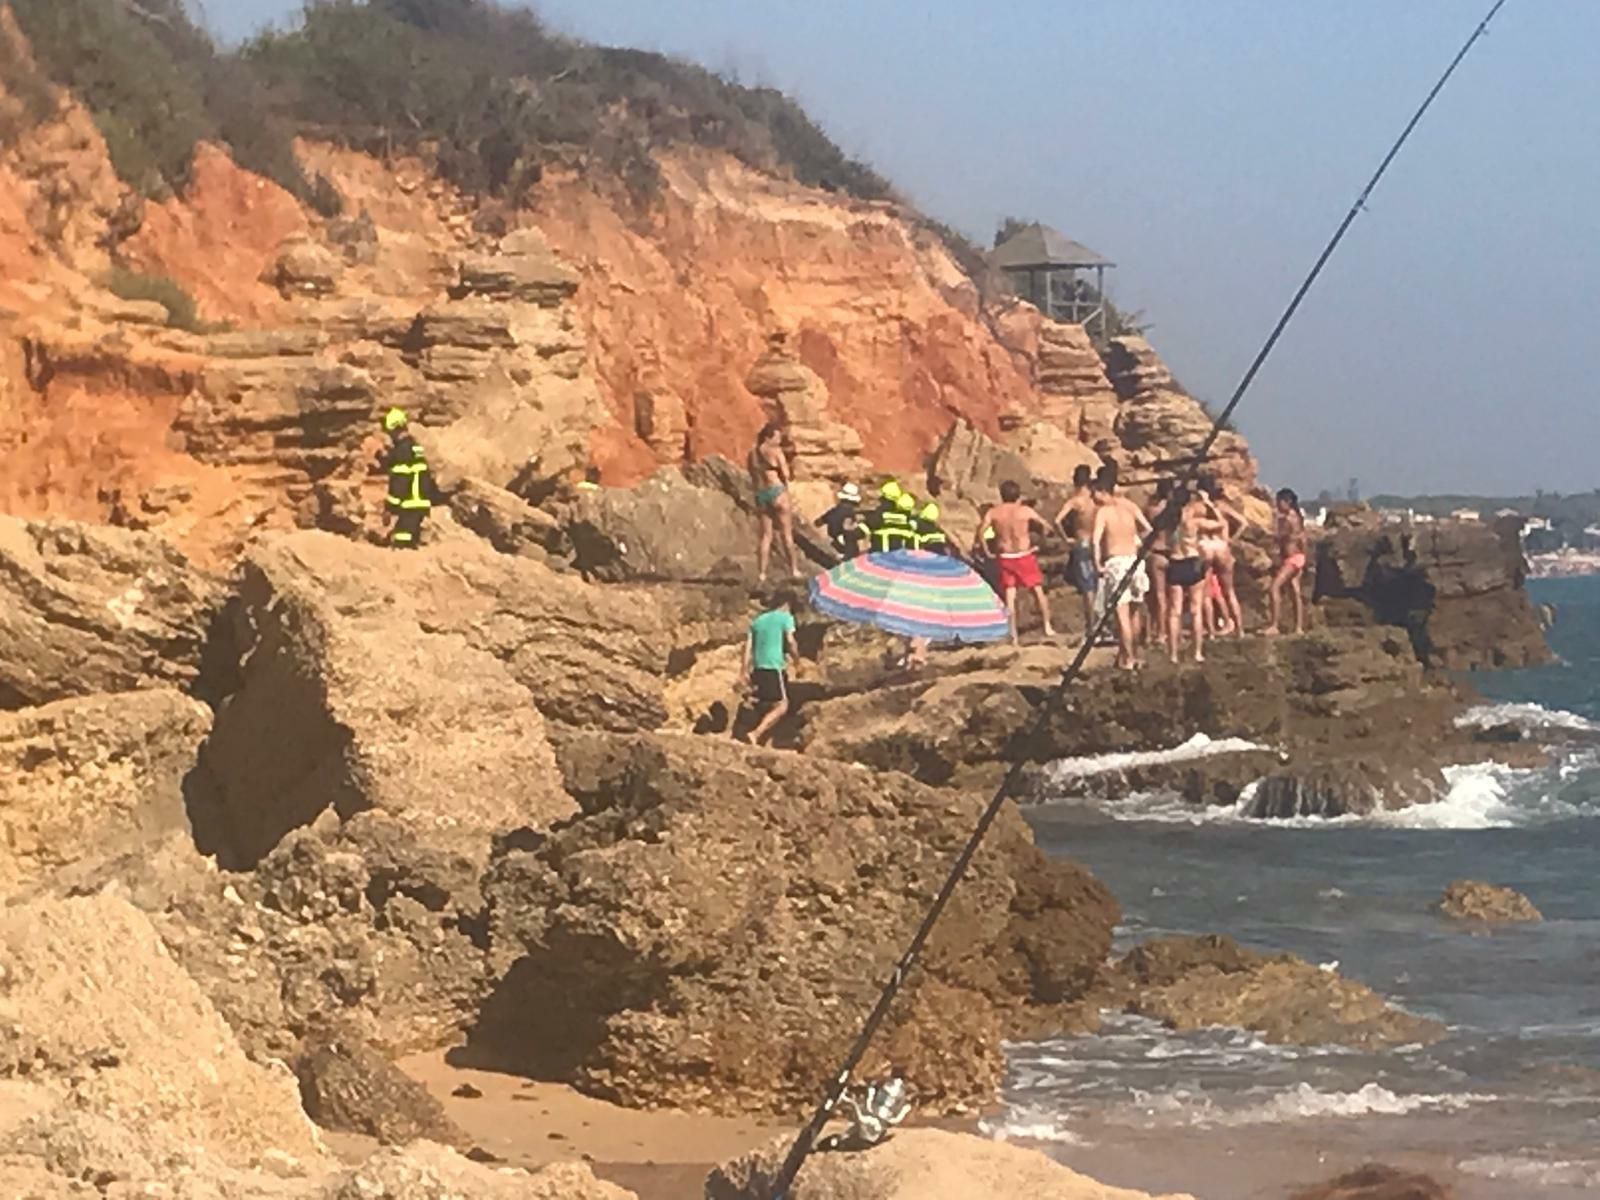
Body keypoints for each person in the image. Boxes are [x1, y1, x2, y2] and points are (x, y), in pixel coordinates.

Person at [974, 480, 1055, 644]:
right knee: (1037, 591)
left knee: (1010, 596)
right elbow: (1047, 527)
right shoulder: (1024, 511)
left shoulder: (994, 513)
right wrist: (1041, 543)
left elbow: (981, 532)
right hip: (1024, 554)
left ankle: (1013, 634)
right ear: (1018, 496)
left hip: (1005, 556)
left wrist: (987, 551)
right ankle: (1047, 626)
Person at [1090, 465, 1153, 670]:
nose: (1093, 499)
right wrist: (1137, 542)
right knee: (1135, 613)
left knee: (1122, 615)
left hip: (1116, 562)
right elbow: (1149, 529)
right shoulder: (1130, 507)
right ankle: (1132, 654)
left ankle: (1128, 659)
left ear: (1103, 491)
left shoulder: (1103, 512)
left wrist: (1097, 563)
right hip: (1134, 561)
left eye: (1095, 494)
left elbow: (1095, 540)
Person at [1166, 486, 1218, 663]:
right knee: (1196, 610)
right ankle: (1197, 652)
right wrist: (1208, 503)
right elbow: (1220, 524)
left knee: (1175, 611)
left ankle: (1173, 654)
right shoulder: (1194, 521)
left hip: (1175, 561)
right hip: (1192, 561)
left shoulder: (1169, 519)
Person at [741, 589, 799, 745]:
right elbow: (791, 641)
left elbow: (747, 649)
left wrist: (744, 671)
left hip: (758, 667)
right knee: (782, 705)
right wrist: (797, 661)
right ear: (788, 604)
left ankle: (760, 736)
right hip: (774, 666)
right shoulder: (786, 618)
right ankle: (756, 734)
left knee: (767, 702)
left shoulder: (758, 620)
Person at [1054, 464, 1101, 639]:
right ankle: (1101, 623)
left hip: (1081, 543)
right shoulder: (1095, 499)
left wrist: (1065, 538)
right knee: (1098, 585)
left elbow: (1057, 520)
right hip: (1096, 543)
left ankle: (1092, 627)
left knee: (1087, 588)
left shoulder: (1075, 501)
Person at [378, 407, 436, 549]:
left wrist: (389, 508)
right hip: (420, 504)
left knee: (402, 542)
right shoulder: (415, 447)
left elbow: (400, 482)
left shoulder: (402, 451)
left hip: (409, 505)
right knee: (413, 540)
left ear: (395, 429)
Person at [1198, 477, 1247, 637]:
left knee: (1205, 594)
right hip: (1222, 547)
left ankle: (1211, 631)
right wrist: (1232, 539)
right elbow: (1243, 522)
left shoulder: (1198, 508)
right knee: (1229, 591)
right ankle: (1239, 630)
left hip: (1207, 547)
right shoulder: (1222, 507)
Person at [749, 423, 797, 581]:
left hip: (762, 494)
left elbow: (752, 474)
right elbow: (786, 474)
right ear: (768, 436)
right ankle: (794, 570)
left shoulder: (753, 453)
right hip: (777, 492)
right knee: (787, 534)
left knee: (766, 536)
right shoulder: (776, 452)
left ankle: (761, 573)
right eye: (777, 436)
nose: (779, 440)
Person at [1265, 487, 1309, 635]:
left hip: (1292, 559)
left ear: (1287, 502)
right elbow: (1303, 539)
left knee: (1274, 587)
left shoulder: (1289, 519)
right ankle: (1298, 627)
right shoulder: (1296, 517)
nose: (1277, 505)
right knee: (1294, 591)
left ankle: (1274, 625)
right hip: (1297, 557)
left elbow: (1281, 536)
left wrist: (1270, 533)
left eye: (1279, 502)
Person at [1144, 479, 1174, 649]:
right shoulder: (1174, 511)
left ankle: (1157, 632)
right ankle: (1166, 631)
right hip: (1171, 553)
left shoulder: (1151, 509)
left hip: (1155, 553)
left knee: (1156, 596)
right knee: (1170, 596)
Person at [816, 482, 865, 560]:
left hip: (834, 544)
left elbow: (818, 523)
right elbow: (849, 529)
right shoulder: (850, 513)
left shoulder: (833, 511)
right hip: (846, 547)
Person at [868, 483, 919, 553]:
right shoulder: (905, 518)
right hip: (899, 558)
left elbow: (866, 527)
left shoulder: (880, 514)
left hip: (881, 555)